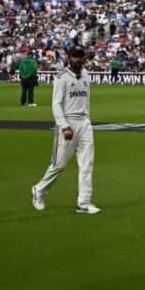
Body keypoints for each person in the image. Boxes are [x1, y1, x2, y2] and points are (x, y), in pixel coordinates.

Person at [30, 47, 100, 214]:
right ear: (69, 58)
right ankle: (39, 190)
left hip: (84, 123)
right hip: (68, 123)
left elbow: (86, 101)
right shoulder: (62, 78)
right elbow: (56, 104)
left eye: (80, 57)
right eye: (75, 57)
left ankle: (83, 203)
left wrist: (88, 121)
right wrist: (64, 125)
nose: (78, 60)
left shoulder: (86, 76)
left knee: (86, 165)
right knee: (59, 165)